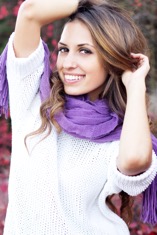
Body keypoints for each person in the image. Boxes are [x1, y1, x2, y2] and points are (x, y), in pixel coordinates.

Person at [0, 0, 157, 234]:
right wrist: (92, 4)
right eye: (64, 49)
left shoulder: (121, 135)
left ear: (111, 58)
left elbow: (134, 161)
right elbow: (30, 12)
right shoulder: (34, 100)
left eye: (85, 51)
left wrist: (135, 84)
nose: (68, 63)